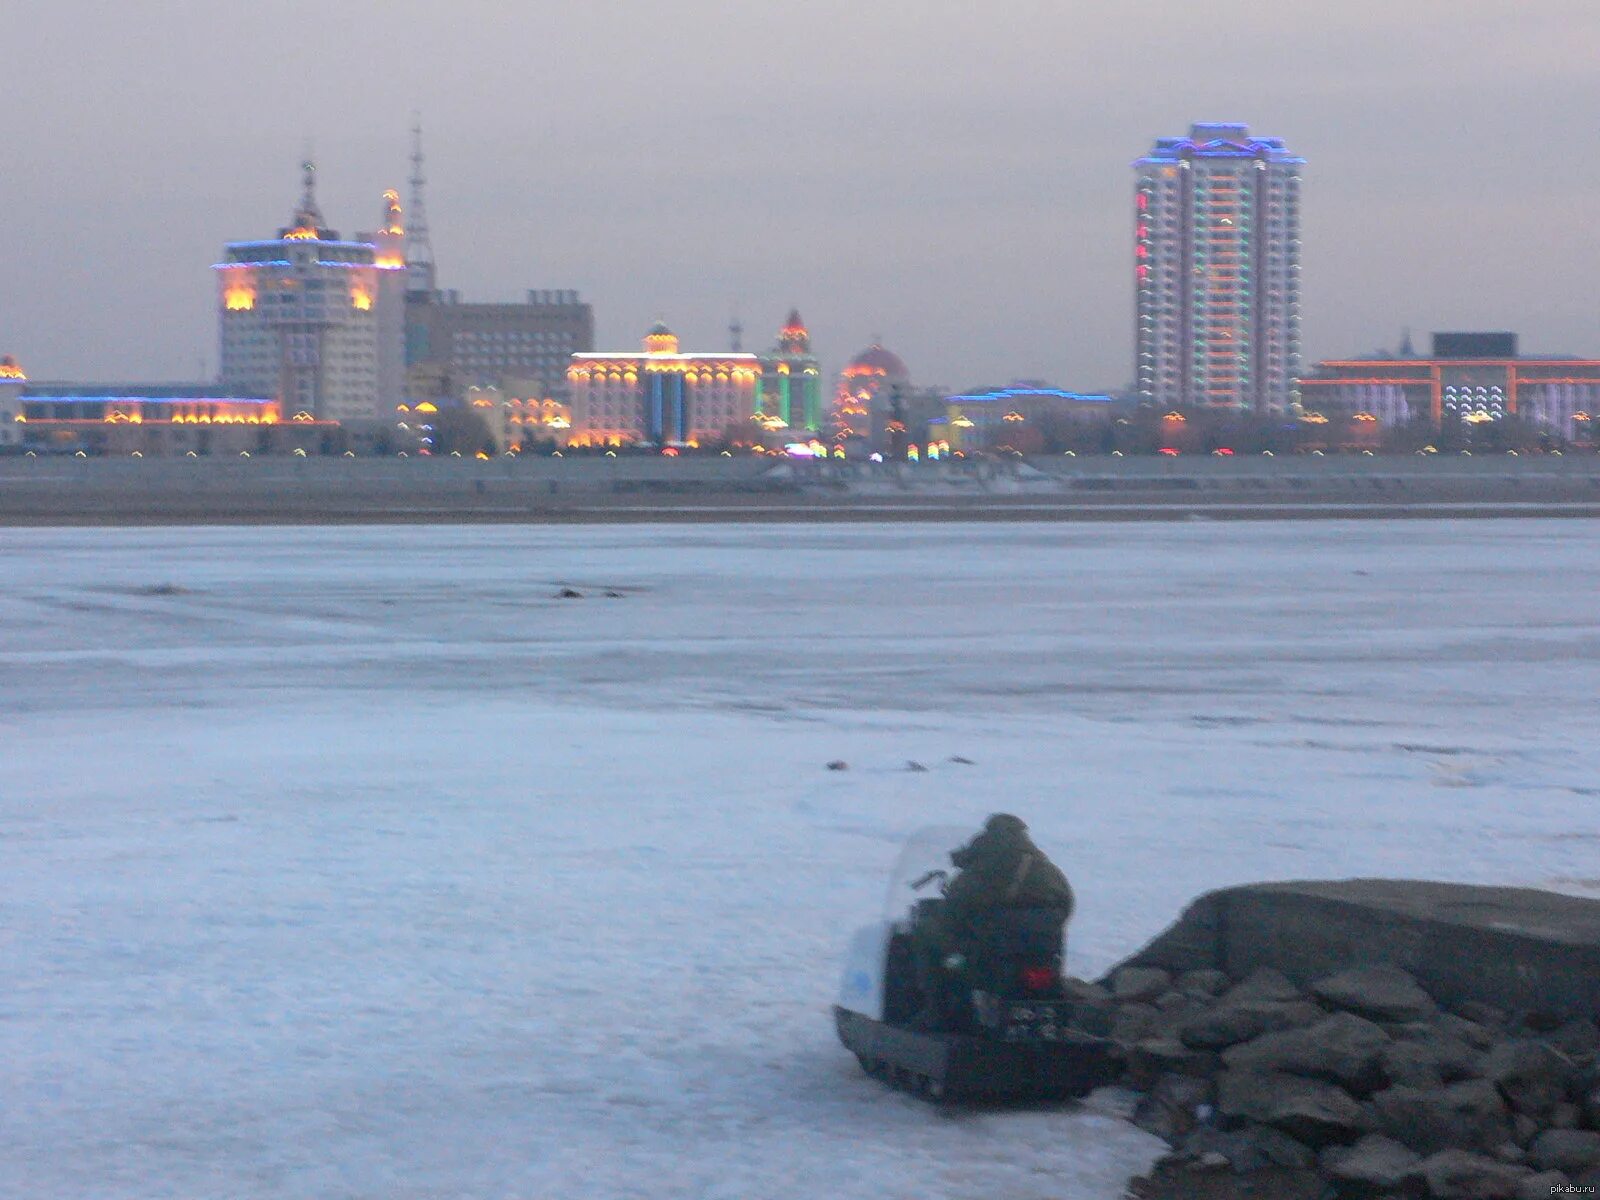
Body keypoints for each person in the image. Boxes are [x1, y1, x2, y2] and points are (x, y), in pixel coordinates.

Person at [910, 813, 1075, 1028]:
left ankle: (937, 1013)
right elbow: (1067, 906)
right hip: (1041, 964)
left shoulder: (978, 873)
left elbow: (949, 920)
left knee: (926, 931)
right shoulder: (1049, 871)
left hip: (982, 966)